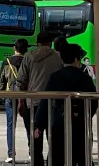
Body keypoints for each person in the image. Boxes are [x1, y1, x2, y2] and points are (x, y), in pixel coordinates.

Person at [34, 44, 98, 166]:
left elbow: (45, 101)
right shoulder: (85, 78)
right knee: (81, 155)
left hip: (59, 122)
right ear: (75, 59)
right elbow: (94, 101)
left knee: (57, 155)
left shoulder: (55, 77)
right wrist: (87, 115)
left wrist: (39, 124)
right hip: (80, 123)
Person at [16, 31, 63, 166]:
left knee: (35, 139)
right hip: (53, 104)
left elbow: (21, 81)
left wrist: (21, 102)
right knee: (54, 139)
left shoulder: (29, 56)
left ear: (37, 43)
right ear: (50, 42)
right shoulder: (58, 57)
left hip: (33, 104)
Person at [0, 38, 29, 163]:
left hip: (10, 94)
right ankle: (31, 152)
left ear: (14, 48)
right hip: (26, 96)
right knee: (29, 124)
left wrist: (2, 95)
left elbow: (2, 80)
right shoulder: (28, 61)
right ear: (26, 50)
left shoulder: (7, 62)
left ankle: (11, 154)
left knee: (11, 125)